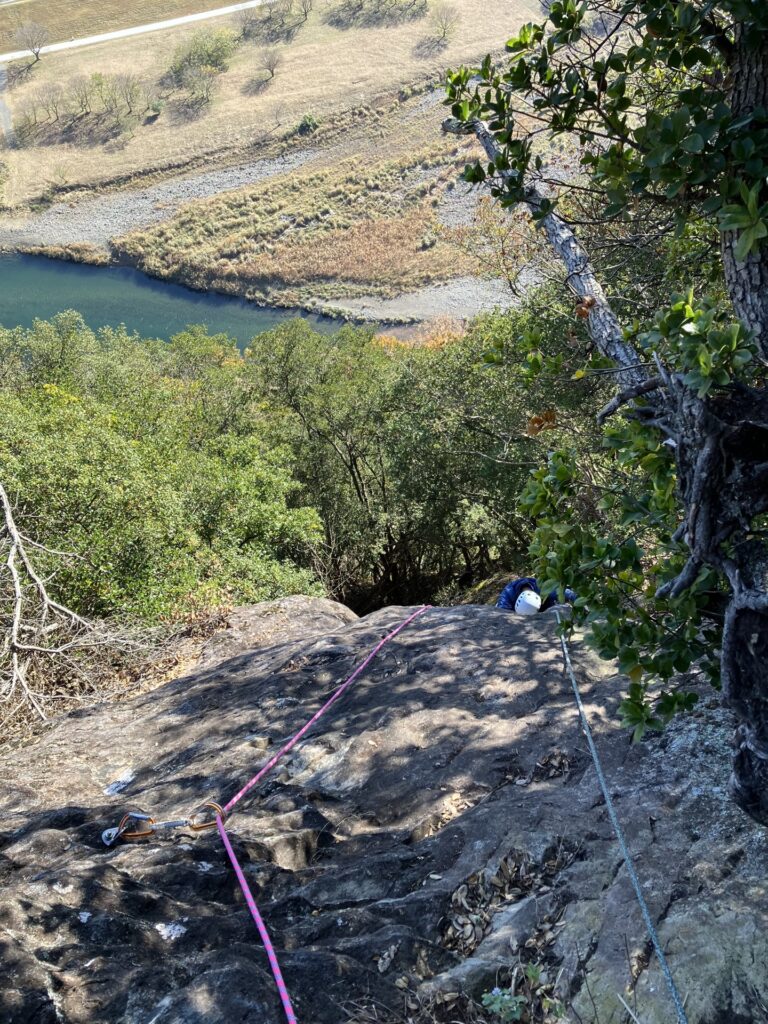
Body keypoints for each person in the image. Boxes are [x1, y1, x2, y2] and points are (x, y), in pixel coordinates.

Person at [496, 577, 576, 616]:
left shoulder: (543, 588)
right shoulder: (508, 594)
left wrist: (581, 601)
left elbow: (565, 592)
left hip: (544, 608)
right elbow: (501, 613)